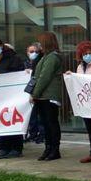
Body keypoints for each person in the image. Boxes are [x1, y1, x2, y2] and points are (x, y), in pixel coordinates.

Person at [31, 32, 63, 161]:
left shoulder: (52, 57)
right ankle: (48, 148)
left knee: (51, 123)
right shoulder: (45, 56)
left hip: (49, 96)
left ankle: (54, 149)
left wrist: (35, 93)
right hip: (42, 96)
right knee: (45, 123)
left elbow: (44, 77)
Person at [0, 38, 28, 159]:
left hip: (10, 96)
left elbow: (18, 74)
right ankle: (4, 147)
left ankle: (16, 148)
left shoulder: (13, 58)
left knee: (11, 120)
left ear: (1, 46)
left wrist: (0, 75)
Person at [24, 42, 45, 144]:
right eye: (31, 52)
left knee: (40, 115)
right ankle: (32, 134)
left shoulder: (40, 62)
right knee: (31, 115)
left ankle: (41, 134)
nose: (34, 53)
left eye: (36, 51)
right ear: (27, 53)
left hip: (38, 92)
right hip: (27, 93)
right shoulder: (24, 64)